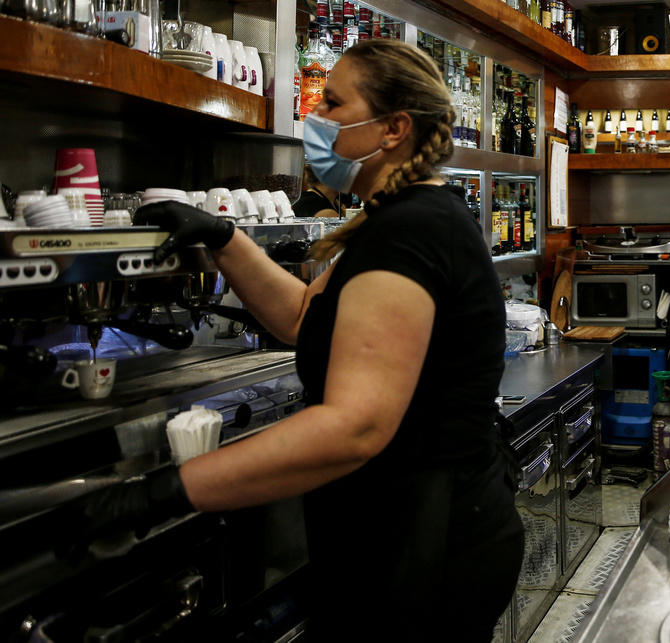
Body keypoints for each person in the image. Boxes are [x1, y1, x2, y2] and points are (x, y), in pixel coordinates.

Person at [89, 39, 524, 640]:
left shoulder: (410, 234)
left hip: (426, 546)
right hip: (421, 530)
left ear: (394, 128)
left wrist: (161, 494)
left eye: (334, 104)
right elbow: (301, 315)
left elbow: (355, 426)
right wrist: (222, 236)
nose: (314, 119)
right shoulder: (396, 220)